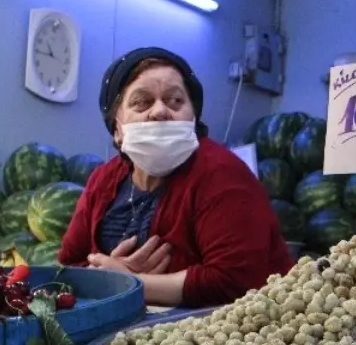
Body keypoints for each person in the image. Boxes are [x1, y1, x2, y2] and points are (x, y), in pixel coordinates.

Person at [59, 47, 293, 306]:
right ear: (117, 129)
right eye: (142, 102)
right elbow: (68, 265)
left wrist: (128, 283)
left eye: (175, 101)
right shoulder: (102, 180)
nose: (160, 111)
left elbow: (236, 280)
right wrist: (110, 271)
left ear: (193, 117)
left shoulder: (223, 175)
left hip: (228, 335)